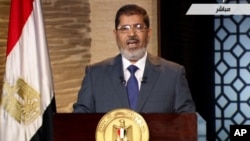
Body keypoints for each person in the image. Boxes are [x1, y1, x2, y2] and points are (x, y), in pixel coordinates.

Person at [73, 4, 195, 113]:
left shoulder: (173, 74)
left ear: (148, 33)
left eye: (138, 27)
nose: (131, 34)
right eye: (124, 28)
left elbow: (187, 124)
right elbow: (78, 123)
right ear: (116, 35)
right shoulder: (95, 75)